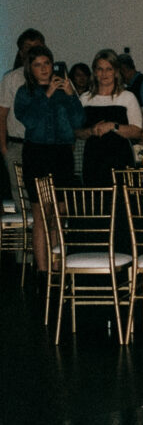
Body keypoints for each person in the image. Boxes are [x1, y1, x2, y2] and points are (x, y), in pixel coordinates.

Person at [14, 45, 84, 273]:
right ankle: (42, 273)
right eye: (38, 65)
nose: (44, 69)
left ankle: (58, 268)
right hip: (37, 154)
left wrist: (72, 96)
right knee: (41, 214)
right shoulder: (26, 93)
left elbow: (78, 122)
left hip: (62, 154)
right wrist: (47, 95)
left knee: (60, 212)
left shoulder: (65, 90)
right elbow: (30, 120)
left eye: (47, 64)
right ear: (30, 69)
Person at [76, 49, 143, 185]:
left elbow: (137, 132)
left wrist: (113, 126)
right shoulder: (85, 99)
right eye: (100, 69)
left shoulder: (127, 97)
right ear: (95, 72)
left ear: (116, 71)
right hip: (93, 158)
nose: (104, 74)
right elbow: (77, 131)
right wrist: (91, 131)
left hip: (120, 159)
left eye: (109, 69)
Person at [0, 28, 46, 209]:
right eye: (28, 47)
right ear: (21, 52)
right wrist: (4, 148)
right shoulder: (12, 78)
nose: (32, 51)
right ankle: (28, 236)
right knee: (23, 199)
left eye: (37, 47)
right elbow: (1, 115)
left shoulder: (54, 76)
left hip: (45, 146)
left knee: (44, 198)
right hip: (18, 145)